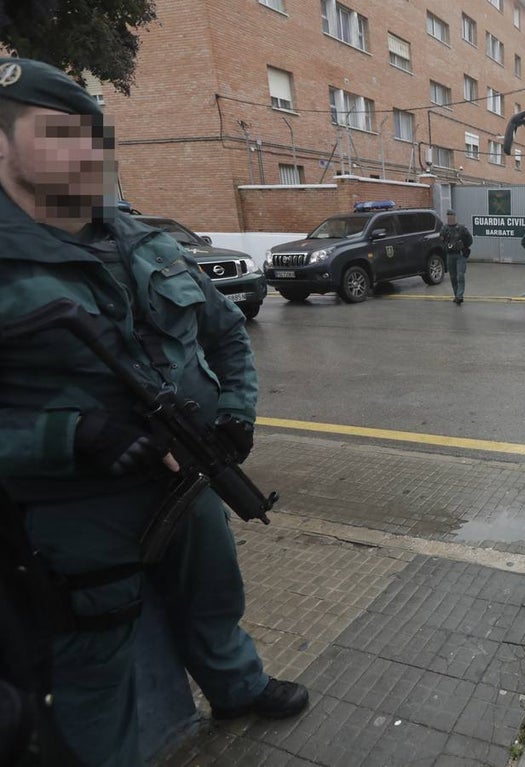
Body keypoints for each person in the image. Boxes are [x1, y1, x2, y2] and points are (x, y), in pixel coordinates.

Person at [0, 58, 307, 766]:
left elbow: (225, 330)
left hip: (187, 475)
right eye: (57, 133)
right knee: (97, 648)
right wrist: (74, 436)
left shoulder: (138, 235)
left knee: (213, 594)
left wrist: (235, 412)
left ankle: (238, 685)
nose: (85, 151)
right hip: (81, 505)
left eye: (92, 134)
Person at [441, 209, 473, 305]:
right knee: (453, 277)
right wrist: (446, 247)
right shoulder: (444, 229)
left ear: (455, 217)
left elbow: (470, 240)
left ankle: (459, 295)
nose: (450, 218)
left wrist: (463, 246)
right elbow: (441, 241)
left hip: (460, 255)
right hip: (450, 255)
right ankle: (457, 296)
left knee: (460, 275)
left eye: (452, 216)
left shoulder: (461, 228)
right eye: (448, 216)